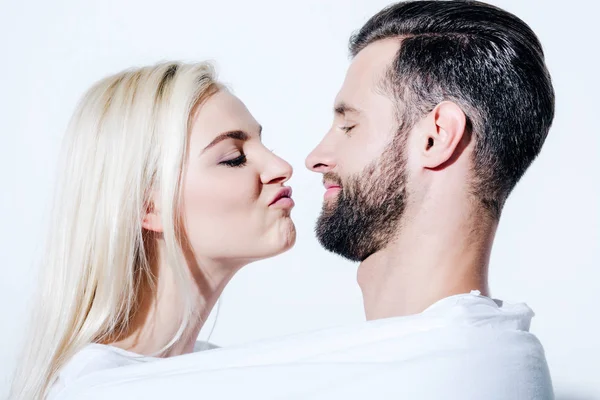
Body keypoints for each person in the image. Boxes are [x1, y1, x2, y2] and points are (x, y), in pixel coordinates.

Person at [37, 1, 557, 399]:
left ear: (435, 136)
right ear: (145, 206)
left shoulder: (470, 365)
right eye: (233, 157)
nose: (300, 162)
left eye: (349, 124)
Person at [9, 62, 296, 400]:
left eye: (263, 145)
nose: (282, 168)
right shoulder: (104, 390)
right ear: (148, 207)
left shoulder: (216, 372)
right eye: (233, 158)